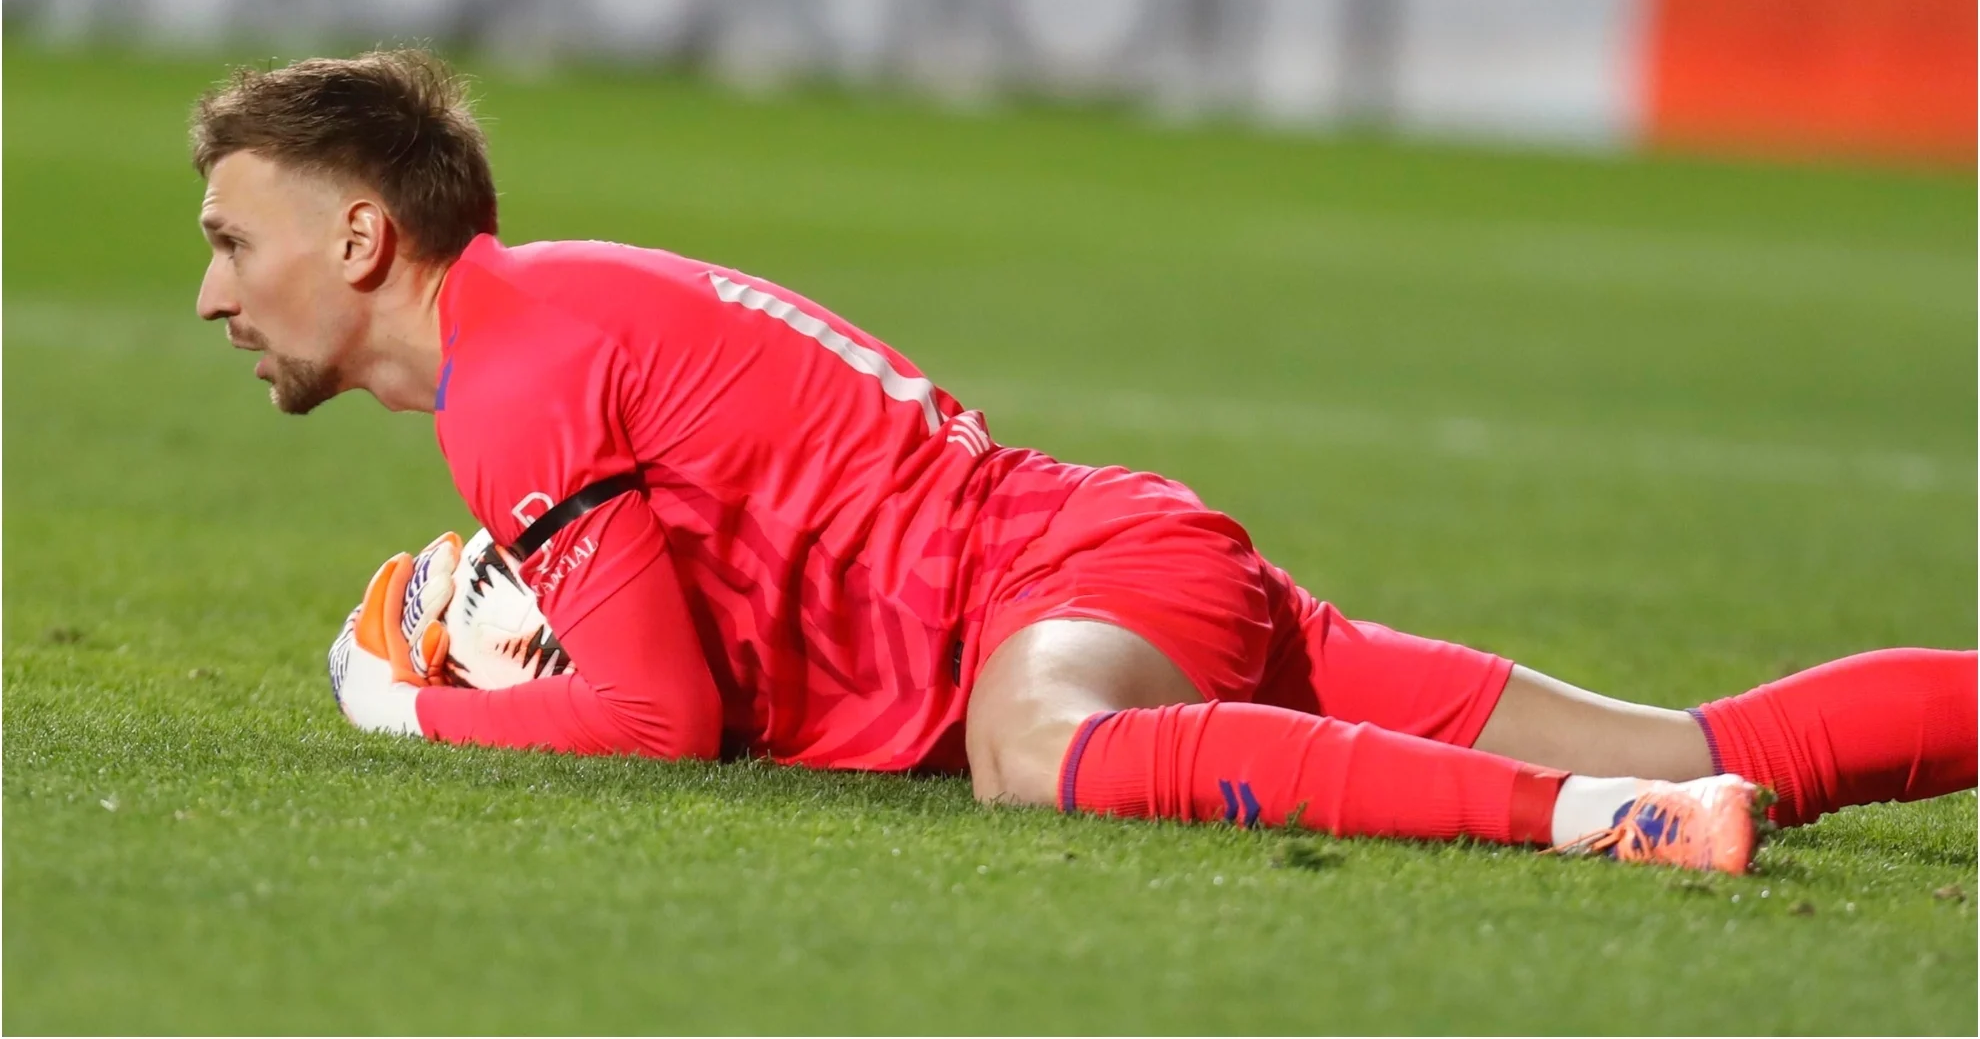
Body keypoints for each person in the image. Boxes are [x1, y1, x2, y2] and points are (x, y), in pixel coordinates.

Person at [192, 50, 1975, 875]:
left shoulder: (519, 374)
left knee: (1033, 758)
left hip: (1065, 593)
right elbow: (704, 650)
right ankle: (1660, 794)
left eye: (229, 242)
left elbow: (661, 727)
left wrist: (404, 704)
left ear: (359, 237)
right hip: (1107, 561)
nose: (210, 294)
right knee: (1716, 743)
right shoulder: (549, 322)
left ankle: (1614, 831)